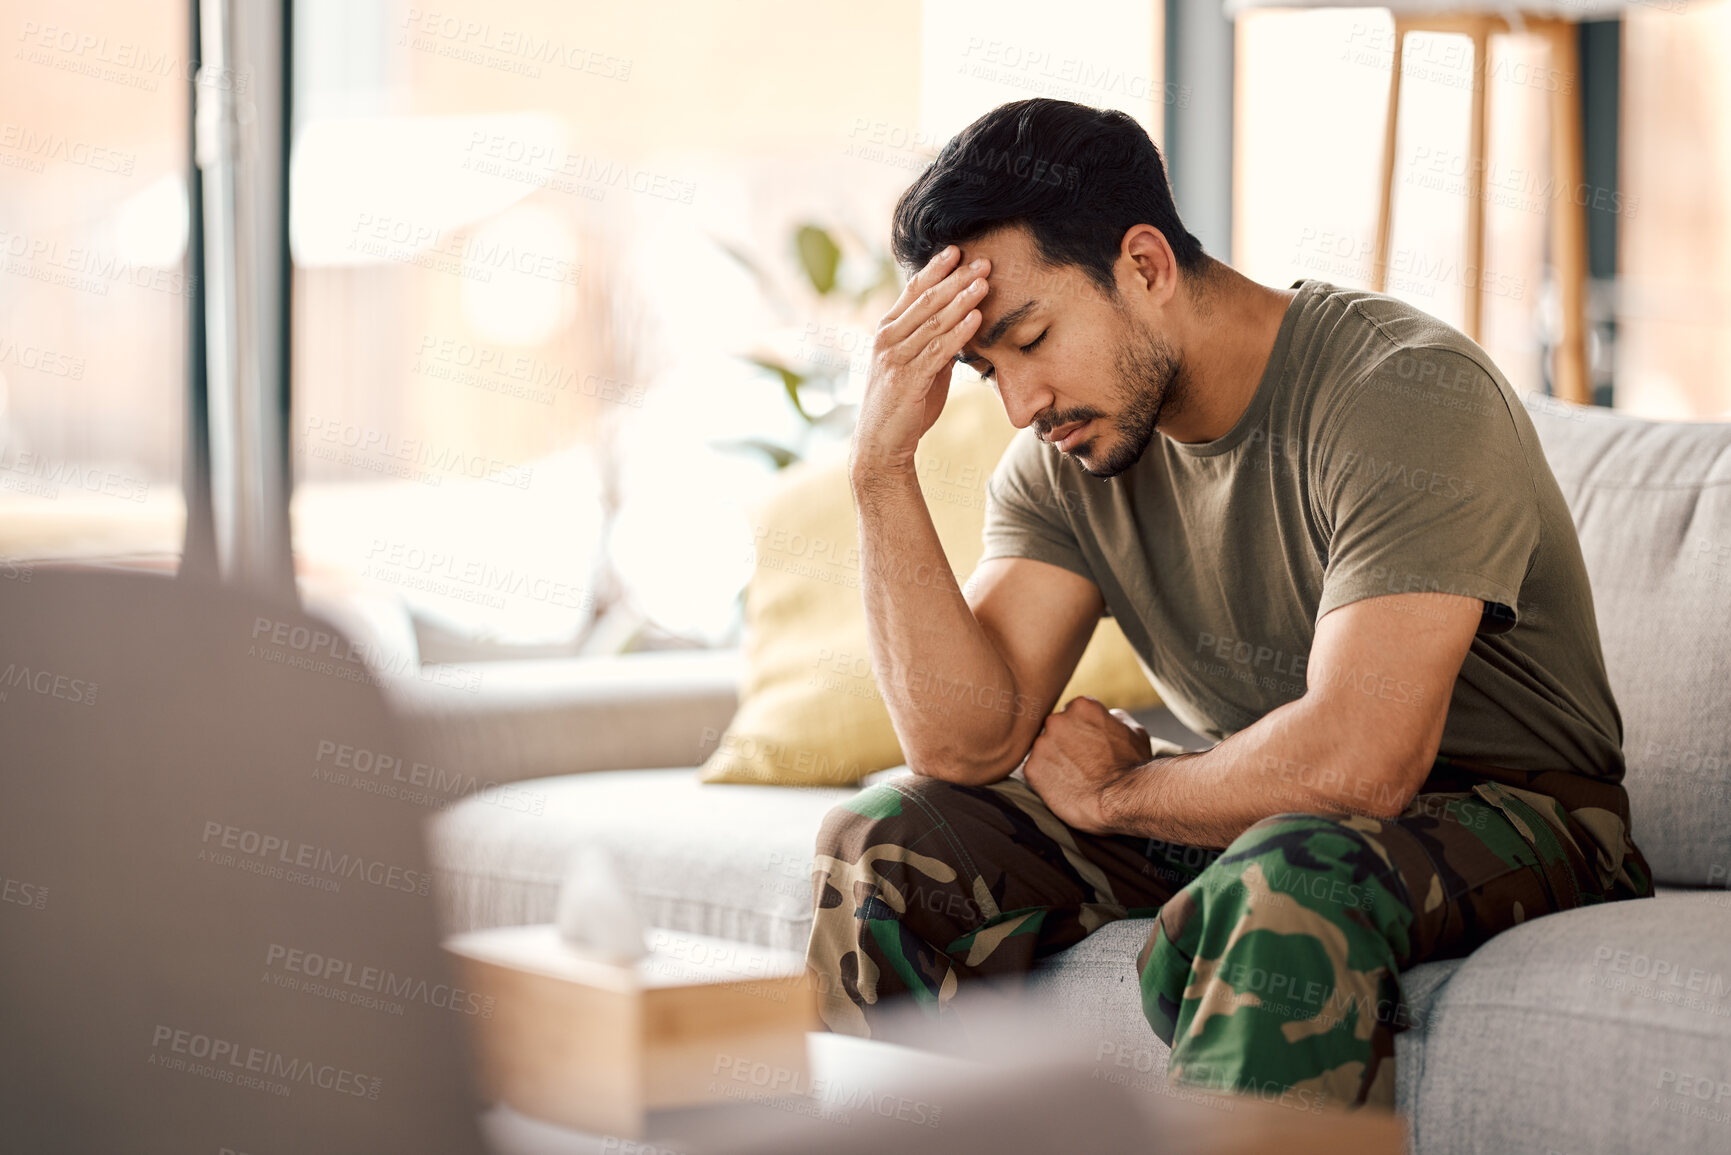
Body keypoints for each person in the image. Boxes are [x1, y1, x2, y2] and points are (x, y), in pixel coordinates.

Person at [805, 97, 1652, 1110]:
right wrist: (880, 466)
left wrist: (1126, 793)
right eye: (988, 371)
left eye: (1030, 337)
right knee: (889, 840)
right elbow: (962, 746)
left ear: (1147, 265)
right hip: (1250, 808)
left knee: (1292, 875)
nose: (1022, 406)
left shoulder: (1404, 390)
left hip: (1519, 812)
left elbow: (1360, 762)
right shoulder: (1068, 459)